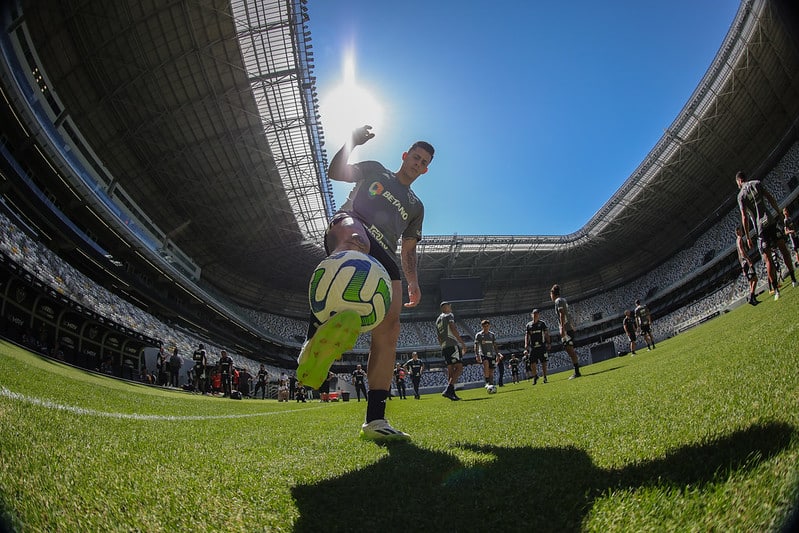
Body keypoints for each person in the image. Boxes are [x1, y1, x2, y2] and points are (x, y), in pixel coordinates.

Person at [296, 125, 433, 442]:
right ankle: (314, 339)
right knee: (356, 245)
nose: (418, 163)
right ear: (405, 156)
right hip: (353, 224)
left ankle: (375, 421)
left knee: (391, 326)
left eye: (424, 162)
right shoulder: (375, 170)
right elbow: (336, 172)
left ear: (425, 170)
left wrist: (412, 281)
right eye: (415, 156)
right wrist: (350, 143)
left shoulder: (416, 206)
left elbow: (409, 248)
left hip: (387, 252)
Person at [736, 171, 797, 300]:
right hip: (770, 221)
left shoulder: (741, 195)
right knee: (784, 250)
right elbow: (770, 198)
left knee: (768, 259)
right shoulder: (757, 183)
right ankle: (793, 279)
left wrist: (747, 236)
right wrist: (778, 212)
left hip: (760, 228)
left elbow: (744, 217)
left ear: (739, 181)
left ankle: (775, 290)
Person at [435, 301, 468, 400]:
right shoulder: (449, 315)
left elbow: (439, 337)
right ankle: (448, 389)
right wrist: (462, 342)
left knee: (450, 369)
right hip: (452, 344)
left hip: (445, 346)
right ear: (445, 308)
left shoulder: (438, 320)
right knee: (459, 367)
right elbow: (453, 328)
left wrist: (443, 346)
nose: (451, 308)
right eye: (449, 306)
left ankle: (451, 393)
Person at [550, 285, 582, 380]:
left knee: (569, 350)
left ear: (553, 294)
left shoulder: (558, 301)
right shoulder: (563, 300)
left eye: (550, 295)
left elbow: (562, 313)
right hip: (569, 327)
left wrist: (562, 328)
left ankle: (577, 372)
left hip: (566, 329)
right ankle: (577, 370)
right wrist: (572, 325)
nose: (550, 297)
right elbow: (568, 314)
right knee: (570, 349)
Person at [474, 319, 503, 392]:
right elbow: (476, 345)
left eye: (487, 326)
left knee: (491, 372)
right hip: (483, 354)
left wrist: (498, 354)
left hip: (492, 355)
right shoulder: (479, 335)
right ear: (482, 326)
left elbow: (495, 345)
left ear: (489, 326)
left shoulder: (492, 335)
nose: (486, 327)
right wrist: (477, 355)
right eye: (484, 326)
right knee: (486, 364)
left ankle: (491, 384)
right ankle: (486, 382)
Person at [524, 309, 551, 385]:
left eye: (537, 314)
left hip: (541, 345)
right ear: (531, 315)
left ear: (538, 315)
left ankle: (545, 377)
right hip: (533, 347)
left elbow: (546, 334)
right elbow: (527, 335)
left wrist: (549, 343)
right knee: (532, 363)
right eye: (534, 314)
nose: (535, 315)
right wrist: (526, 345)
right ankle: (535, 376)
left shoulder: (542, 324)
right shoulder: (528, 325)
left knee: (543, 362)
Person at [736, 225, 760, 306]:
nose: (742, 231)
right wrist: (748, 259)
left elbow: (739, 254)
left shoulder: (737, 240)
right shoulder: (739, 239)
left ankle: (753, 299)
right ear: (738, 232)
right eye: (741, 230)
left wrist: (742, 266)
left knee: (751, 281)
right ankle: (751, 297)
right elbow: (742, 251)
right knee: (755, 279)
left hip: (743, 262)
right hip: (745, 261)